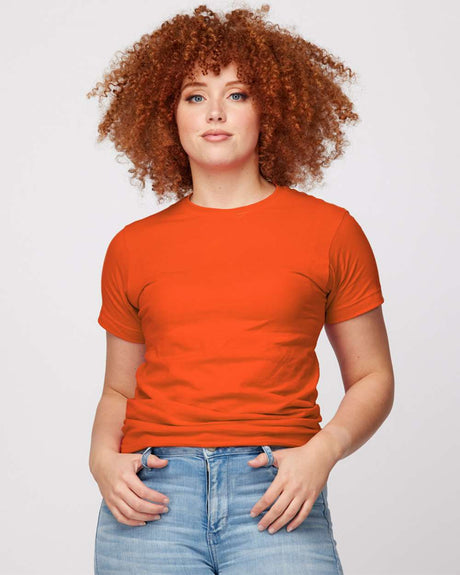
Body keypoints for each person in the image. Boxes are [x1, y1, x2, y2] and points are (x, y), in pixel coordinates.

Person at [87, 4, 394, 574]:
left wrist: (323, 452)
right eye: (194, 96)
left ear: (269, 109)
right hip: (152, 495)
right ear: (168, 115)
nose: (215, 112)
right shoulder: (132, 245)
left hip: (276, 491)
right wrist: (101, 459)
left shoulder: (331, 231)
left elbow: (373, 376)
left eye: (238, 94)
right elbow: (118, 389)